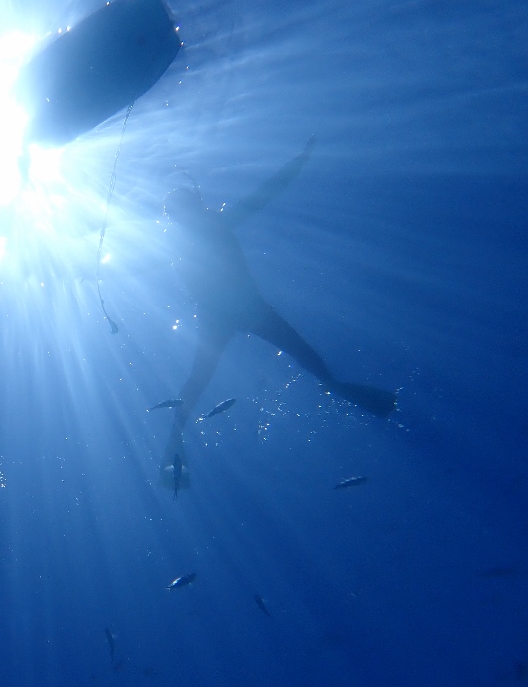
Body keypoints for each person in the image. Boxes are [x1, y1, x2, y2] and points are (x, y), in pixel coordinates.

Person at [159, 138, 396, 487]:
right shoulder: (207, 229)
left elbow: (266, 193)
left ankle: (176, 434)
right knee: (296, 355)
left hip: (226, 312)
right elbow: (264, 194)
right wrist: (299, 160)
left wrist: (300, 161)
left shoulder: (192, 236)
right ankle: (337, 387)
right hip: (242, 308)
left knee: (204, 377)